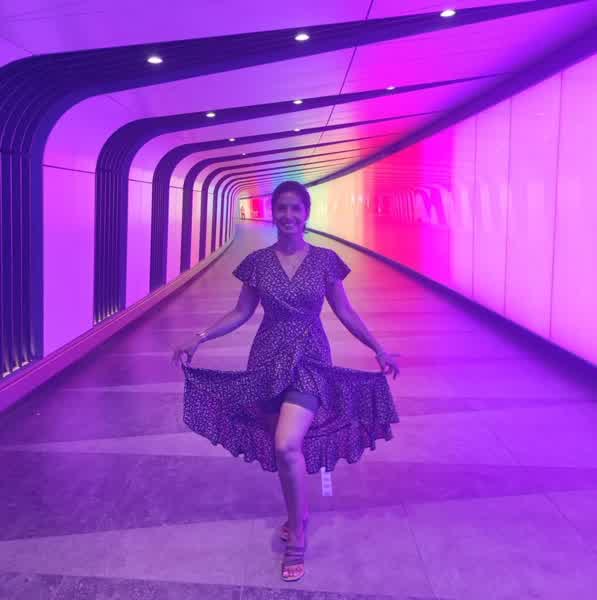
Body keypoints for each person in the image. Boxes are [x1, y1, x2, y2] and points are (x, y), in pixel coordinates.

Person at [172, 180, 400, 582]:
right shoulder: (257, 262)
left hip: (310, 358)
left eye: (296, 208)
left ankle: (297, 534)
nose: (289, 216)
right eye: (282, 208)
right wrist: (200, 337)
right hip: (266, 361)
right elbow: (241, 312)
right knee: (285, 451)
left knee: (286, 444)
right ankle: (300, 511)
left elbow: (345, 311)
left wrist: (377, 347)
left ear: (306, 214)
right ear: (273, 213)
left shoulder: (326, 260)